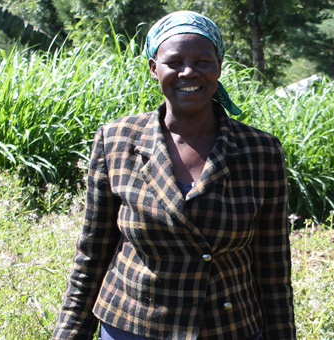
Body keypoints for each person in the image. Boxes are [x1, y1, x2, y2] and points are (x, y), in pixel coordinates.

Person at [52, 11, 296, 340]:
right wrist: (70, 333)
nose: (188, 72)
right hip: (133, 327)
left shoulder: (260, 151)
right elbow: (91, 254)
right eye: (175, 61)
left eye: (203, 61)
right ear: (154, 68)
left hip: (227, 327)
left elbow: (273, 267)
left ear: (219, 66)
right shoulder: (117, 141)